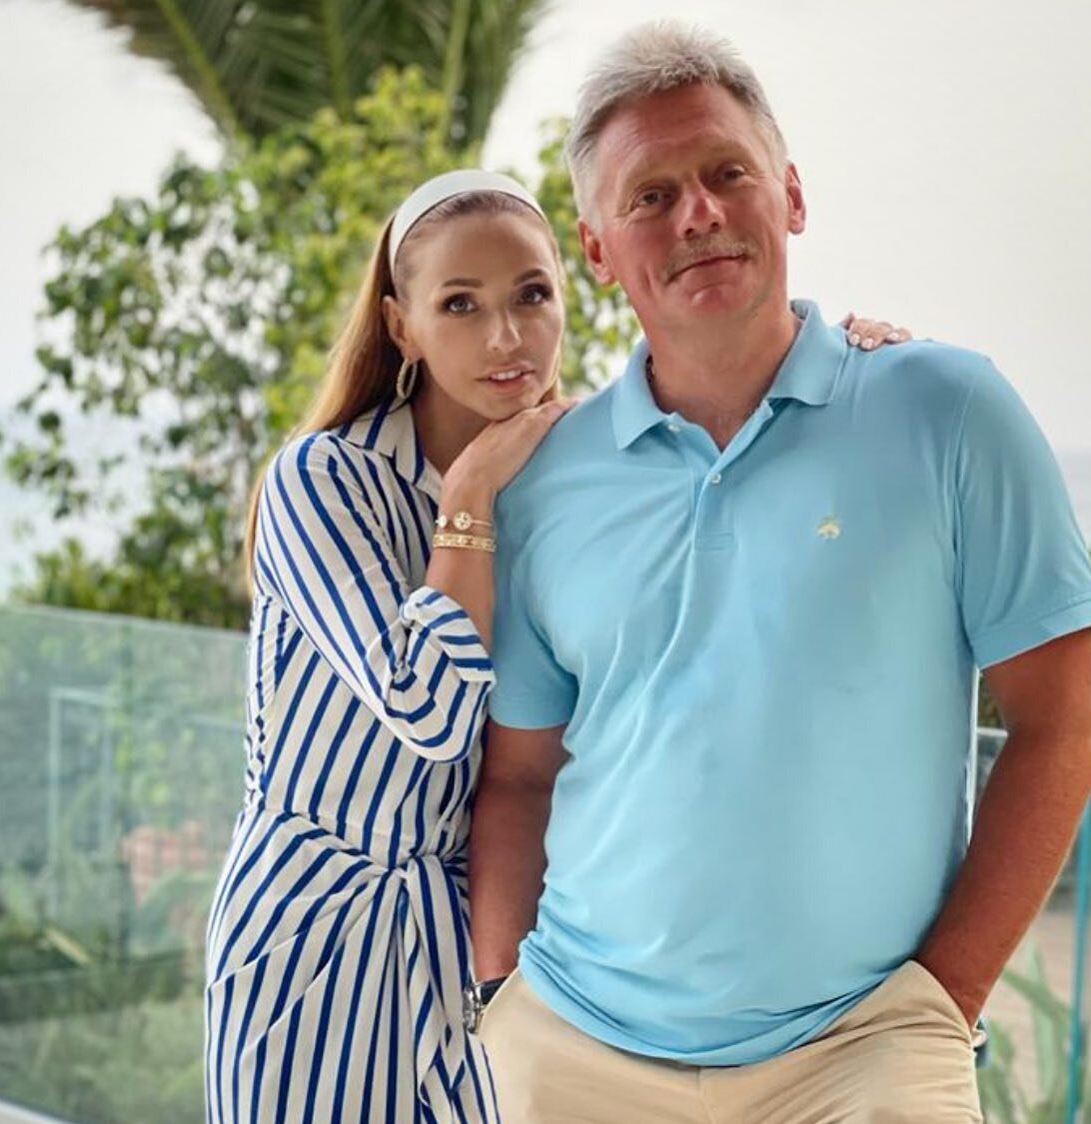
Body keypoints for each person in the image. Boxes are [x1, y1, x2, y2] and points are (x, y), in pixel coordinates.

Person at [469, 22, 1091, 1124]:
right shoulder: (545, 479)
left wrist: (941, 998)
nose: (695, 212)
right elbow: (519, 773)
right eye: (649, 196)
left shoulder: (945, 412)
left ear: (789, 196)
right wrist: (499, 999)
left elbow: (1064, 717)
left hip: (861, 1052)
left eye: (724, 173)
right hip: (572, 1052)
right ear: (599, 250)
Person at [202, 164, 904, 1122]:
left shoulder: (573, 479)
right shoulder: (325, 481)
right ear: (402, 324)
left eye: (532, 296)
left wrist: (871, 372)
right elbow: (430, 709)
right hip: (312, 935)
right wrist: (468, 500)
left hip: (483, 940)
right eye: (460, 305)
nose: (507, 338)